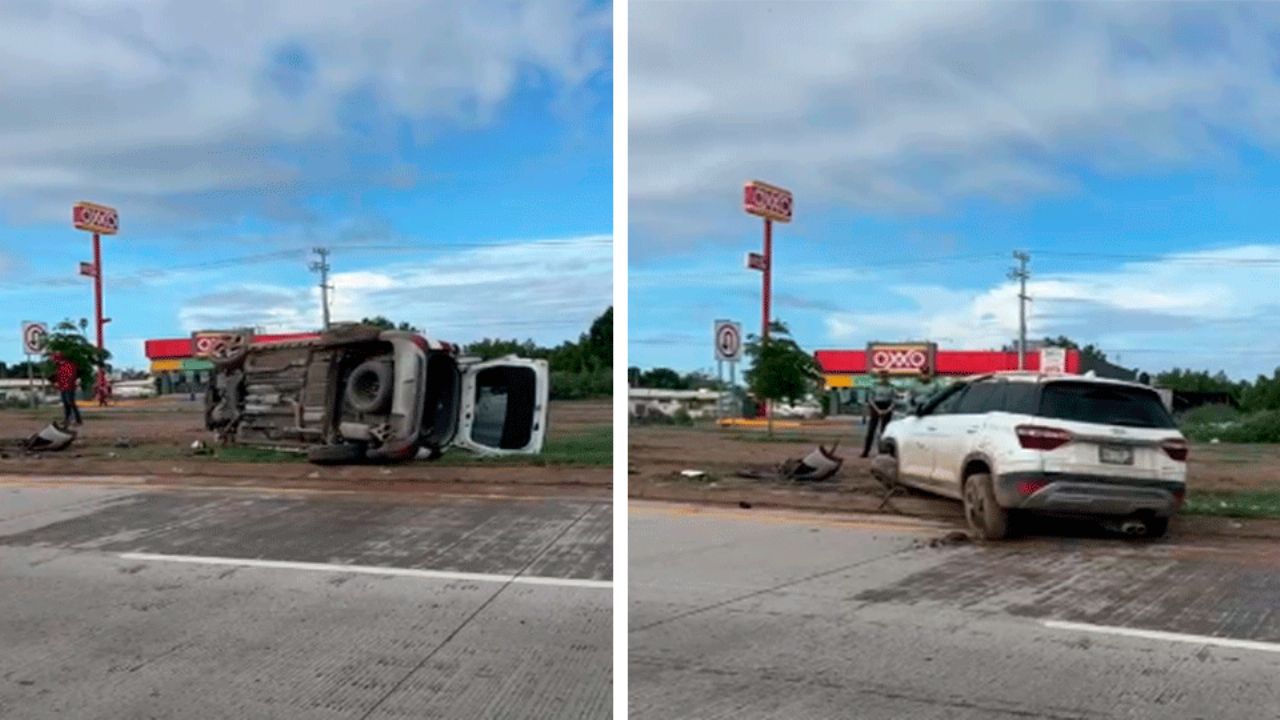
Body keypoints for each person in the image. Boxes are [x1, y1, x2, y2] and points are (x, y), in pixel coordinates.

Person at [861, 371, 896, 458]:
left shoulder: (892, 387)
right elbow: (870, 399)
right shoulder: (874, 386)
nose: (884, 378)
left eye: (886, 376)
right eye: (882, 376)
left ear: (888, 377)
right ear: (880, 376)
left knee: (885, 432)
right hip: (875, 407)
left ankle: (884, 451)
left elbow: (894, 401)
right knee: (871, 431)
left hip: (887, 407)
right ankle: (866, 451)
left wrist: (887, 410)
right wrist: (878, 410)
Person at [50, 351, 82, 426]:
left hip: (69, 387)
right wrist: (56, 382)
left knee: (71, 403)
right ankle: (67, 419)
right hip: (63, 387)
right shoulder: (59, 367)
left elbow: (72, 376)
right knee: (66, 404)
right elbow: (59, 377)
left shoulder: (69, 365)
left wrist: (65, 384)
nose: (54, 361)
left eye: (55, 359)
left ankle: (77, 420)